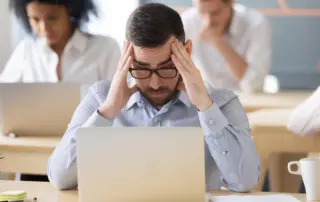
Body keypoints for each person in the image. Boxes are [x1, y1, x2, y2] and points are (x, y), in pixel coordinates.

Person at [47, 3, 261, 192]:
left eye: (167, 68)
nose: (155, 83)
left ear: (186, 51)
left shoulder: (222, 103)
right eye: (142, 69)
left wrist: (205, 107)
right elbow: (60, 178)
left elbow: (245, 181)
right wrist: (107, 112)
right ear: (127, 57)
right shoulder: (100, 98)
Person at [0, 0, 120, 83]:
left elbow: (122, 105)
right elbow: (4, 99)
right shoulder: (26, 51)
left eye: (52, 18)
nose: (44, 28)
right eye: (35, 19)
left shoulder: (105, 48)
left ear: (70, 12)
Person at [181, 0, 271, 93]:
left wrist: (218, 41)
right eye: (202, 13)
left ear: (231, 2)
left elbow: (254, 85)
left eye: (215, 13)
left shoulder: (256, 24)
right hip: (204, 98)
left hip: (244, 100)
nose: (208, 22)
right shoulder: (187, 22)